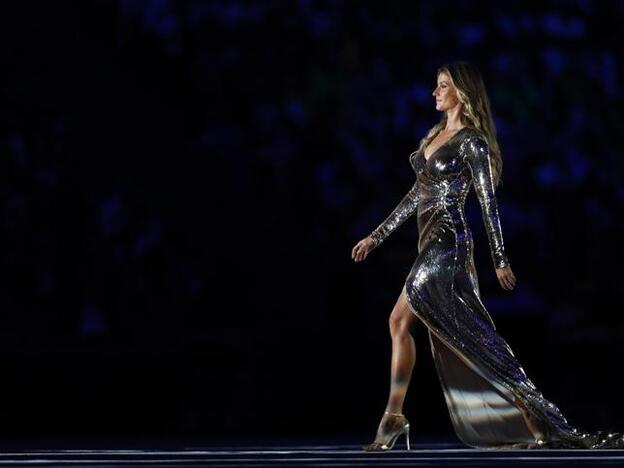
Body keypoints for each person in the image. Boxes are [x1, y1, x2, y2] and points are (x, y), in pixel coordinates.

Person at [351, 61, 624, 451]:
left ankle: (394, 418)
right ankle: (400, 418)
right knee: (417, 328)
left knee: (412, 323)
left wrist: (499, 258)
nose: (434, 91)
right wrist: (375, 237)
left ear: (461, 92)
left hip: (450, 246)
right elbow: (416, 197)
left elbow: (487, 202)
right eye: (435, 84)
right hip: (428, 245)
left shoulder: (472, 142)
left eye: (442, 85)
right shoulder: (434, 135)